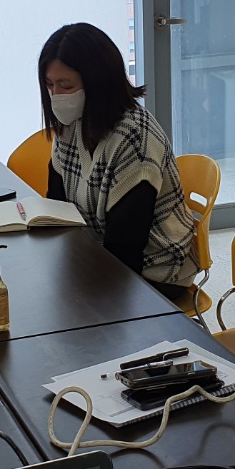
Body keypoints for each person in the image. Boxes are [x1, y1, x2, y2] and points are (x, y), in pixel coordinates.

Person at [39, 23, 199, 292]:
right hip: (96, 251)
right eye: (49, 85)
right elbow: (57, 203)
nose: (56, 96)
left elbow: (125, 248)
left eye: (65, 85)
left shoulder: (135, 140)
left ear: (97, 82)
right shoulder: (73, 122)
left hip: (152, 269)